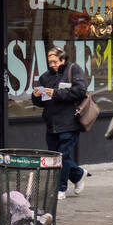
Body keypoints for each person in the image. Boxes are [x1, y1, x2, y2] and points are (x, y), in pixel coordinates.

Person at [31, 46, 90, 201]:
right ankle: (78, 174)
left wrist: (56, 93)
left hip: (69, 121)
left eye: (55, 61)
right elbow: (41, 102)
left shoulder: (74, 70)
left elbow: (80, 91)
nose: (52, 65)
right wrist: (36, 96)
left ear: (63, 59)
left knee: (62, 156)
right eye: (50, 62)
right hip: (52, 122)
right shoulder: (45, 77)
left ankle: (61, 188)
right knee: (54, 157)